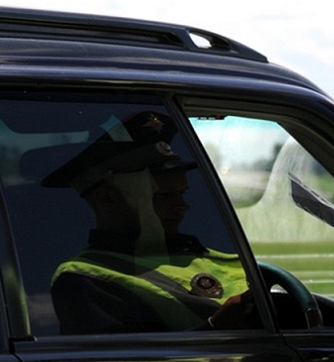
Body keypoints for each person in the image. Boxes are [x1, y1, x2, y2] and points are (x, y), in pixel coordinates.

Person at [47, 111, 253, 334]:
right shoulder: (85, 276)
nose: (183, 206)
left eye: (182, 193)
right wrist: (215, 328)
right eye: (163, 195)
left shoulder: (207, 254)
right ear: (106, 198)